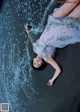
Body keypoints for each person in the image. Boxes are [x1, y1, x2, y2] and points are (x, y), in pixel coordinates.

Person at [25, 2, 80, 86]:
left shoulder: (35, 48)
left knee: (72, 2)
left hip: (52, 22)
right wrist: (52, 79)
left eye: (34, 63)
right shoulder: (47, 58)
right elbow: (58, 69)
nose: (37, 63)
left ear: (33, 60)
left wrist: (28, 31)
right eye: (38, 65)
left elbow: (32, 39)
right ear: (42, 63)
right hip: (62, 29)